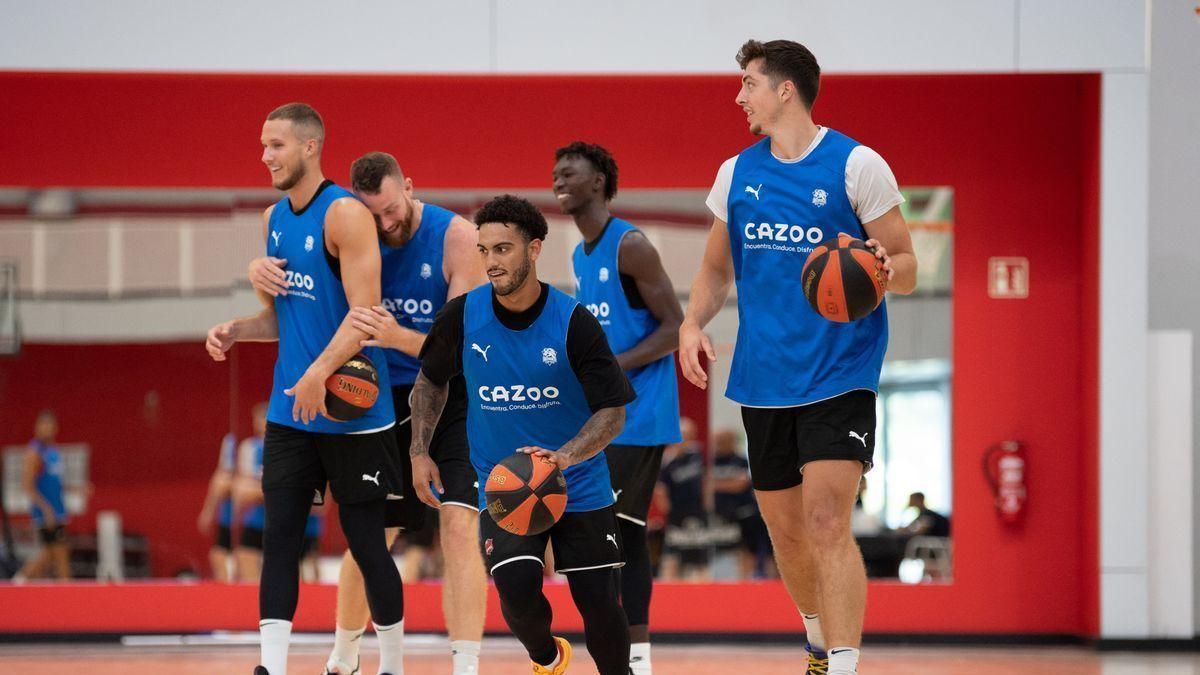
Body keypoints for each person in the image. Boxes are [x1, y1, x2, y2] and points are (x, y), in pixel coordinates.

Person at [678, 39, 918, 675]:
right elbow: (713, 268)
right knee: (785, 531)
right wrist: (691, 323)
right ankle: (816, 640)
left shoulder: (856, 166)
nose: (739, 97)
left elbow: (910, 264)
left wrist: (885, 269)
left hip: (842, 372)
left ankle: (842, 665)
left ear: (786, 89)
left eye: (749, 84)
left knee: (826, 520)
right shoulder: (737, 173)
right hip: (763, 378)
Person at [205, 102, 405, 675]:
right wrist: (236, 329)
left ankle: (391, 665)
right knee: (279, 538)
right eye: (263, 145)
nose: (265, 156)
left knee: (367, 544)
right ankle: (272, 666)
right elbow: (280, 320)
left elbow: (366, 315)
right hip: (292, 413)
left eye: (276, 145)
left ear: (310, 147)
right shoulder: (272, 219)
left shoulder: (344, 215)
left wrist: (318, 373)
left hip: (354, 410)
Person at [410, 195, 635, 675]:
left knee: (600, 603)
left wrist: (564, 457)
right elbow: (431, 381)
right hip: (505, 484)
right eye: (484, 250)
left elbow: (612, 413)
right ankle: (547, 658)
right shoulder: (462, 316)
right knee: (516, 593)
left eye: (503, 249)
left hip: (580, 483)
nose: (490, 262)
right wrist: (419, 451)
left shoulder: (574, 321)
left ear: (534, 250)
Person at [554, 140, 683, 674]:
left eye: (570, 171)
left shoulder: (630, 245)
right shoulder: (580, 254)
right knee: (616, 535)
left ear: (600, 182)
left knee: (619, 533)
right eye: (555, 172)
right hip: (606, 414)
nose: (558, 177)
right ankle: (631, 657)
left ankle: (635, 658)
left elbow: (676, 327)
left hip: (641, 411)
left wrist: (615, 367)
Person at [15, 410, 71, 581]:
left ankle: (22, 581)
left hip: (58, 510)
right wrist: (46, 509)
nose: (46, 429)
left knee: (50, 555)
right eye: (42, 425)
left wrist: (77, 488)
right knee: (58, 554)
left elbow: (56, 482)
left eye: (50, 426)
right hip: (46, 513)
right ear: (36, 428)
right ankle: (19, 580)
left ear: (55, 428)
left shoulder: (53, 452)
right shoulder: (34, 452)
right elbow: (27, 486)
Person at [710, 428, 771, 579]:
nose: (719, 444)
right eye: (717, 441)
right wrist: (726, 484)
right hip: (719, 513)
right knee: (724, 548)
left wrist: (716, 484)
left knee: (747, 547)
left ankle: (746, 578)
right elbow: (704, 485)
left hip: (743, 512)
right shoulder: (711, 462)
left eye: (723, 440)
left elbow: (740, 484)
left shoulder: (740, 460)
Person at [656, 426, 708, 581]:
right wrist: (668, 511)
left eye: (689, 435)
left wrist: (706, 505)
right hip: (677, 512)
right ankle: (669, 586)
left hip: (697, 510)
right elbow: (660, 488)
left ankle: (702, 587)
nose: (686, 438)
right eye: (683, 435)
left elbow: (706, 479)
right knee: (673, 552)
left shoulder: (697, 454)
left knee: (699, 552)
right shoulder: (667, 459)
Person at [232, 403, 269, 583]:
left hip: (287, 521)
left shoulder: (289, 446)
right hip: (255, 520)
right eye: (257, 418)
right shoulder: (249, 447)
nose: (259, 423)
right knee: (249, 576)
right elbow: (242, 491)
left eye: (263, 417)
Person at [198, 433, 238, 582]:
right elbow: (221, 476)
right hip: (231, 513)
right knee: (218, 553)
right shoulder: (233, 441)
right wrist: (208, 511)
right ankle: (227, 592)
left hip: (259, 512)